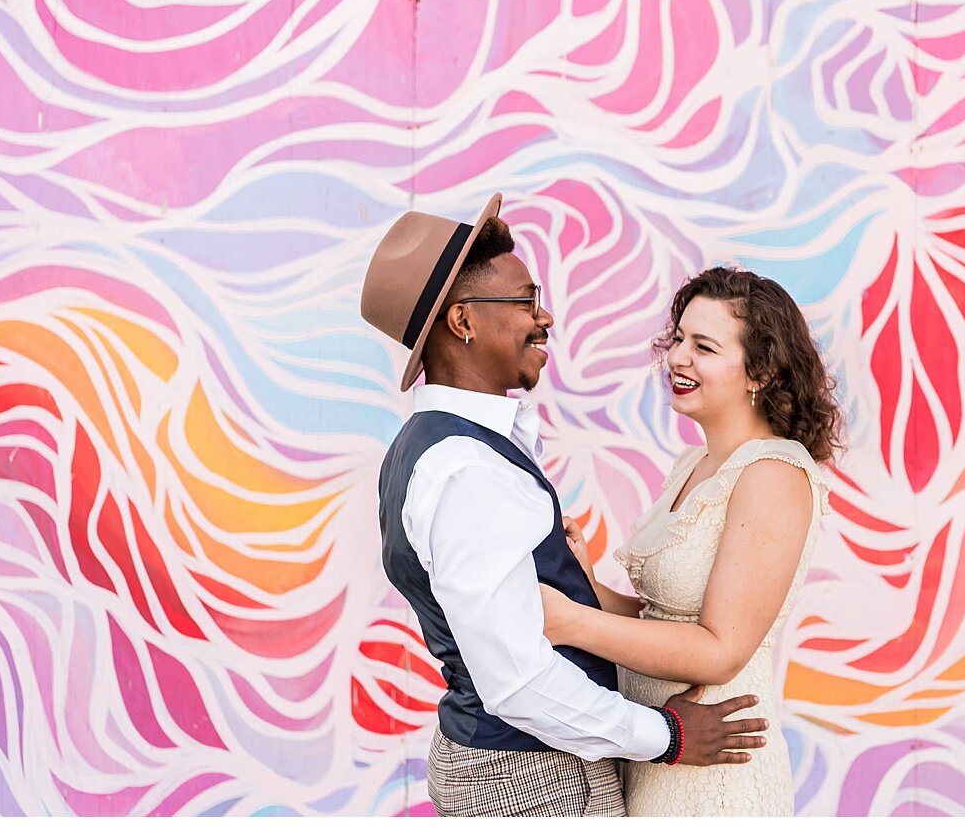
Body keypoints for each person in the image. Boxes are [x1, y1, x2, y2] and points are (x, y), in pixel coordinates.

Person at [359, 196, 767, 817]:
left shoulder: (440, 447)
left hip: (518, 763)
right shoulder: (466, 468)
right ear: (463, 321)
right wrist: (668, 736)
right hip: (532, 778)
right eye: (524, 300)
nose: (544, 315)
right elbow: (517, 682)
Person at [539, 265, 844, 816]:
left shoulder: (772, 472)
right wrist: (580, 584)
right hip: (665, 753)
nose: (677, 357)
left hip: (718, 776)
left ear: (762, 370)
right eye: (679, 338)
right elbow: (661, 620)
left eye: (703, 346)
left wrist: (571, 620)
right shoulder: (696, 465)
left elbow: (720, 649)